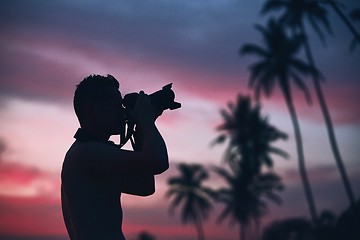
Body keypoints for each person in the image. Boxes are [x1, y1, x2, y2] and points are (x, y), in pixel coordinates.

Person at [61, 74, 169, 240]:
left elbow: (145, 186)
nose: (123, 112)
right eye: (117, 106)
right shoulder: (87, 152)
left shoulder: (93, 153)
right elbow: (159, 162)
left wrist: (140, 128)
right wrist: (147, 121)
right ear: (92, 110)